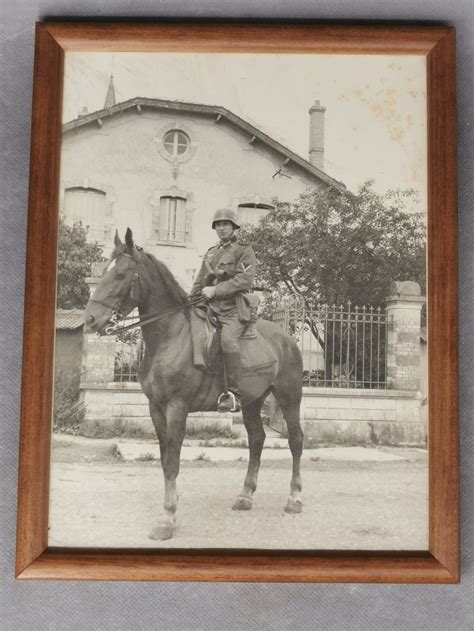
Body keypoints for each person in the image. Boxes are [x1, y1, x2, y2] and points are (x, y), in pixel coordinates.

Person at [189, 208, 256, 412]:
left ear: (234, 227)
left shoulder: (243, 250)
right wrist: (190, 299)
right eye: (218, 225)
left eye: (225, 224)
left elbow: (244, 280)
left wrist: (216, 290)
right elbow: (200, 281)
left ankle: (233, 394)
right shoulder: (210, 252)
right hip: (210, 308)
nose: (221, 228)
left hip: (232, 309)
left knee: (227, 340)